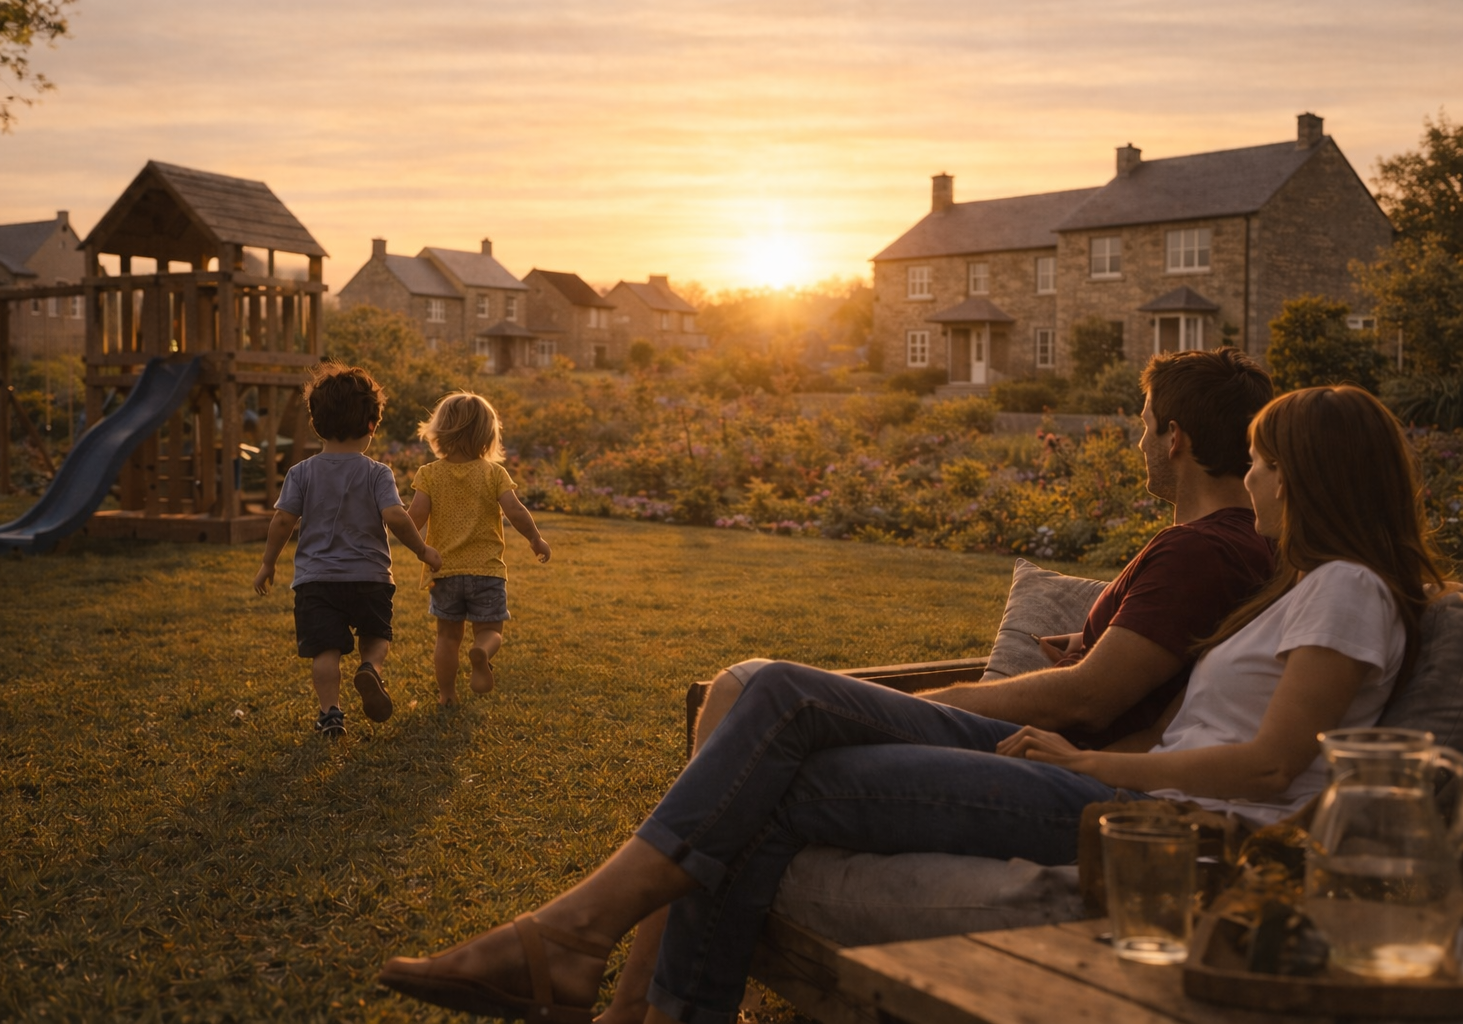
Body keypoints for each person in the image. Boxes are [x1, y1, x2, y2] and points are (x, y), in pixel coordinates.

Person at [377, 384, 1446, 1024]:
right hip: (1129, 798)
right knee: (781, 755)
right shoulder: (1305, 589)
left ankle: (571, 943)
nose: (1250, 483)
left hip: (1168, 831)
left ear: (1306, 476)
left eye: (1261, 464)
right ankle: (589, 960)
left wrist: (1094, 768)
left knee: (783, 715)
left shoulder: (1350, 587)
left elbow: (1268, 768)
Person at [592, 346, 1276, 1024]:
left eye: (1144, 421)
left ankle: (618, 982)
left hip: (1049, 758)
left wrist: (947, 701)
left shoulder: (1201, 548)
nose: (1137, 438)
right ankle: (634, 999)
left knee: (760, 693)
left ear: (1175, 438)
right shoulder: (1232, 544)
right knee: (749, 696)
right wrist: (1098, 639)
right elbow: (1152, 663)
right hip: (1058, 753)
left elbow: (1087, 698)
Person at [253, 362, 443, 738]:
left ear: (316, 423)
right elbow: (397, 518)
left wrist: (267, 563)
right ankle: (370, 668)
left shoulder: (301, 472)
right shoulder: (376, 473)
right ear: (372, 424)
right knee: (376, 636)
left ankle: (330, 714)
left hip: (316, 581)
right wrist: (423, 550)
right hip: (370, 577)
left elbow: (281, 522)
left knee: (325, 650)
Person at [408, 391, 551, 705]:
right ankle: (482, 651)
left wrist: (413, 546)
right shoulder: (494, 473)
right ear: (488, 436)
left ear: (439, 432)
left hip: (444, 570)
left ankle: (447, 696)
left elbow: (413, 518)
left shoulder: (429, 474)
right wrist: (535, 539)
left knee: (446, 637)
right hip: (486, 570)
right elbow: (515, 512)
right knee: (490, 630)